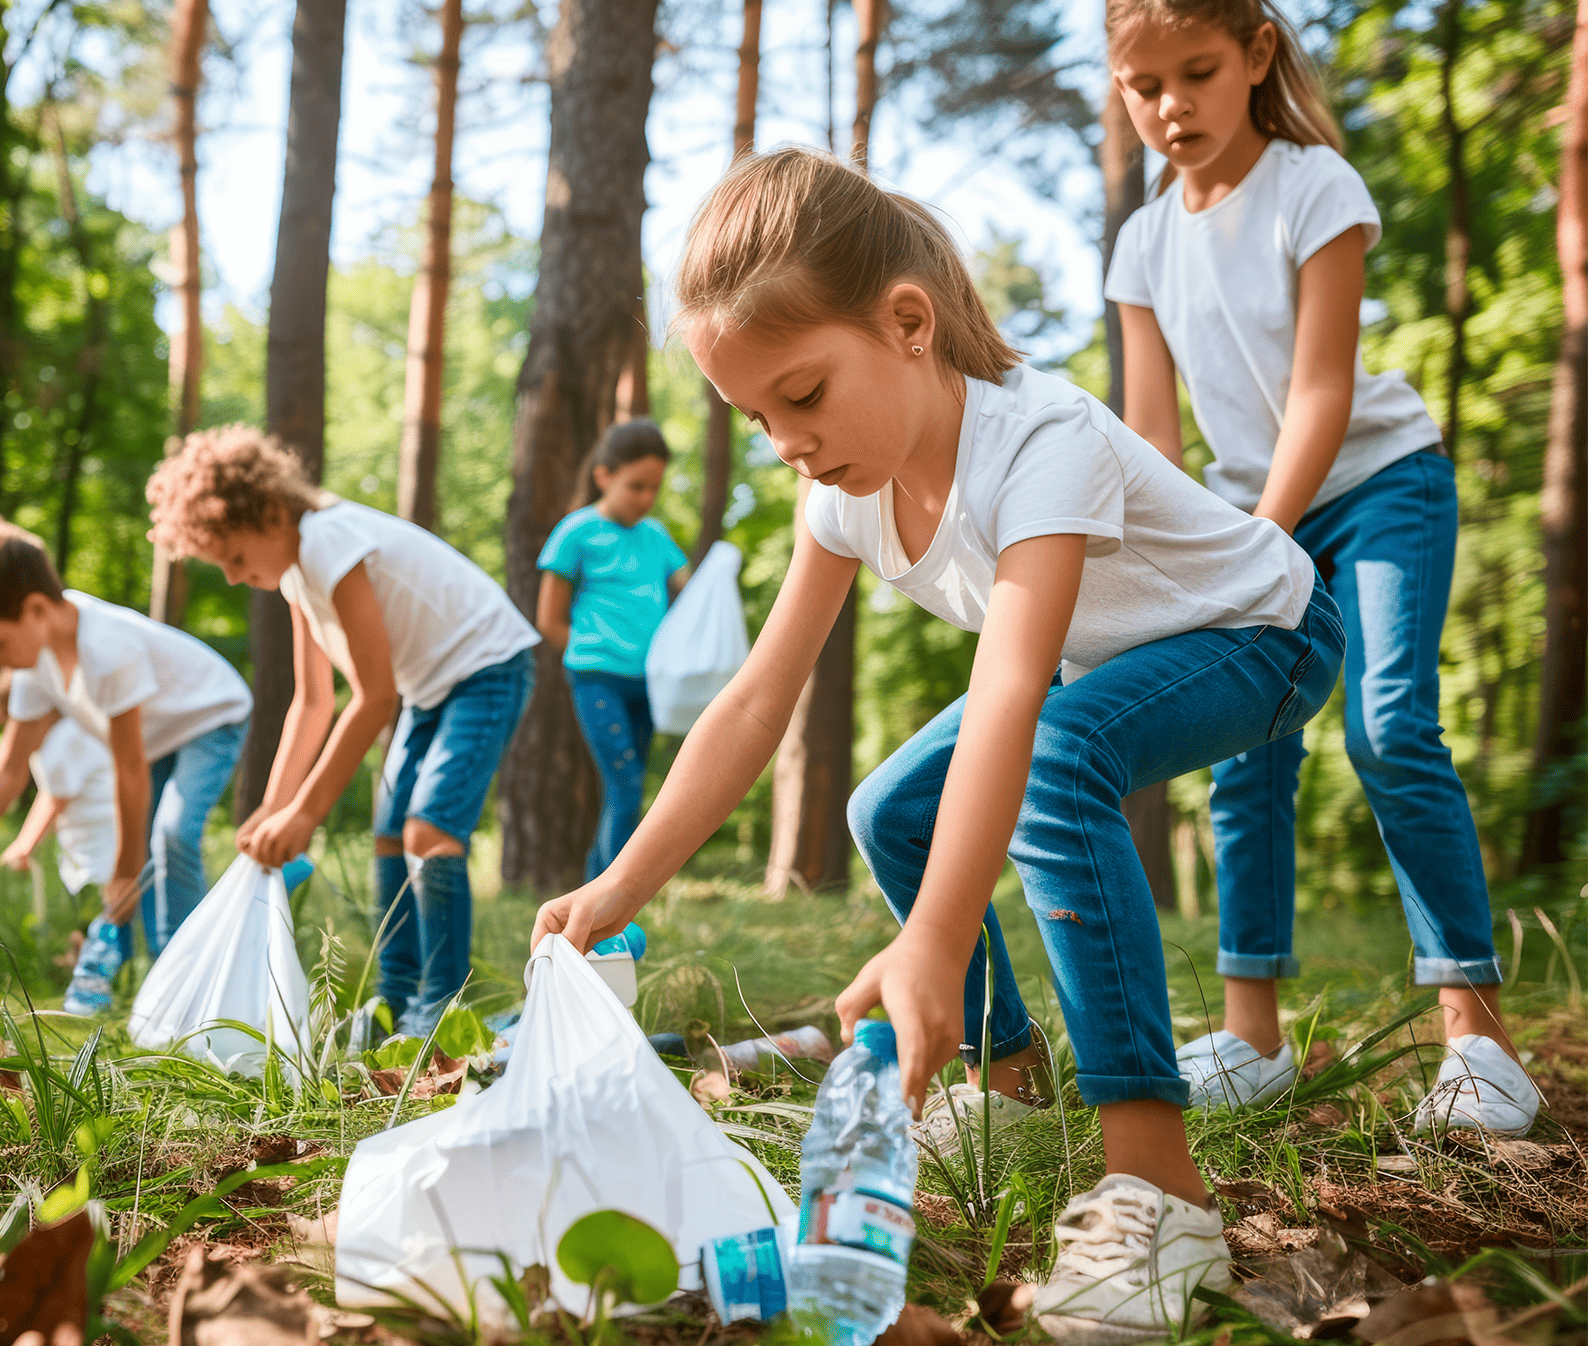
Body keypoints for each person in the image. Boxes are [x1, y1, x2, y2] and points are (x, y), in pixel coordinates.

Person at [530, 146, 1344, 1344]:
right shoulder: (840, 496)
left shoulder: (1039, 441)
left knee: (1057, 759)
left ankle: (1159, 1191)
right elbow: (754, 702)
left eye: (803, 394)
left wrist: (934, 936)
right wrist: (619, 883)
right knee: (887, 808)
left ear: (907, 324)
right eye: (755, 417)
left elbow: (1010, 692)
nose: (786, 441)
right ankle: (1006, 1082)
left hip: (1261, 630)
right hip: (1100, 662)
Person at [1103, 0, 1535, 1133]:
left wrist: (1263, 534)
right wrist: (1165, 566)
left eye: (1197, 72)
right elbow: (1152, 435)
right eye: (1144, 85)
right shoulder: (1142, 242)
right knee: (1244, 752)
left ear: (1255, 55)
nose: (1171, 105)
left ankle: (1478, 1041)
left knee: (1389, 727)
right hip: (1250, 516)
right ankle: (1252, 1037)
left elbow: (1321, 389)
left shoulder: (1314, 187)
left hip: (1379, 486)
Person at [145, 426, 539, 1039]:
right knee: (390, 836)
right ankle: (396, 1000)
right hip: (431, 686)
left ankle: (443, 1005)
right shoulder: (297, 573)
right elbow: (312, 700)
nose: (232, 577)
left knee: (429, 829)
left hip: (487, 667)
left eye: (235, 558)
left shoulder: (329, 539)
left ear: (268, 513)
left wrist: (306, 813)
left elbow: (374, 697)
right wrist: (274, 808)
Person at [0, 515, 253, 1015]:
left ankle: (194, 981)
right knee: (144, 852)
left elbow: (128, 769)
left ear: (35, 610)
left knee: (171, 836)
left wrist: (124, 871)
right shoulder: (35, 664)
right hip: (158, 737)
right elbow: (8, 771)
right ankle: (162, 978)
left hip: (210, 716)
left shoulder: (106, 649)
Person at [536, 420, 692, 881]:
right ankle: (611, 902)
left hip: (649, 682)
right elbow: (549, 620)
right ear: (604, 476)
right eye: (636, 486)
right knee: (625, 787)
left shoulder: (656, 536)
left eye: (654, 489)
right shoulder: (576, 531)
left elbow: (693, 593)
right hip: (598, 678)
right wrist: (590, 652)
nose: (646, 498)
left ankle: (595, 894)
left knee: (628, 789)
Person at [0, 670, 119, 899]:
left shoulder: (64, 740)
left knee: (98, 899)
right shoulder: (64, 736)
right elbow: (50, 793)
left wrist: (25, 846)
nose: (12, 736)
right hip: (89, 838)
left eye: (13, 724)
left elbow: (55, 800)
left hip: (98, 842)